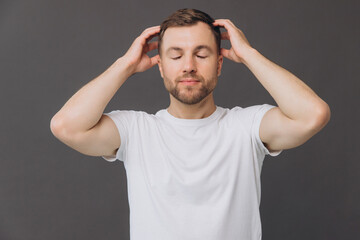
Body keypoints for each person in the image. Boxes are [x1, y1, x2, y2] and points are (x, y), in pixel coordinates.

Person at [50, 8, 330, 240]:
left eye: (202, 54)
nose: (188, 66)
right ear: (160, 66)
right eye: (175, 55)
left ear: (220, 64)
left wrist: (249, 55)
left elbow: (312, 115)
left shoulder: (246, 126)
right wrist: (124, 65)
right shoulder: (136, 131)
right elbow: (65, 126)